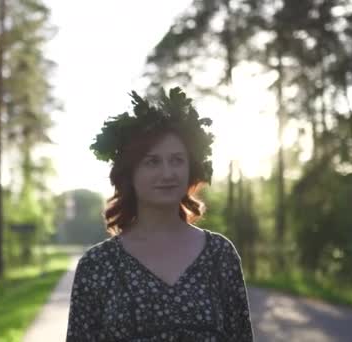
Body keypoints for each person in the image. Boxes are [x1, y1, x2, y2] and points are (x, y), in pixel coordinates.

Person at [65, 87, 254, 341]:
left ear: (190, 169)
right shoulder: (96, 265)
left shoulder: (220, 255)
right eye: (152, 161)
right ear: (130, 174)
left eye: (177, 160)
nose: (167, 173)